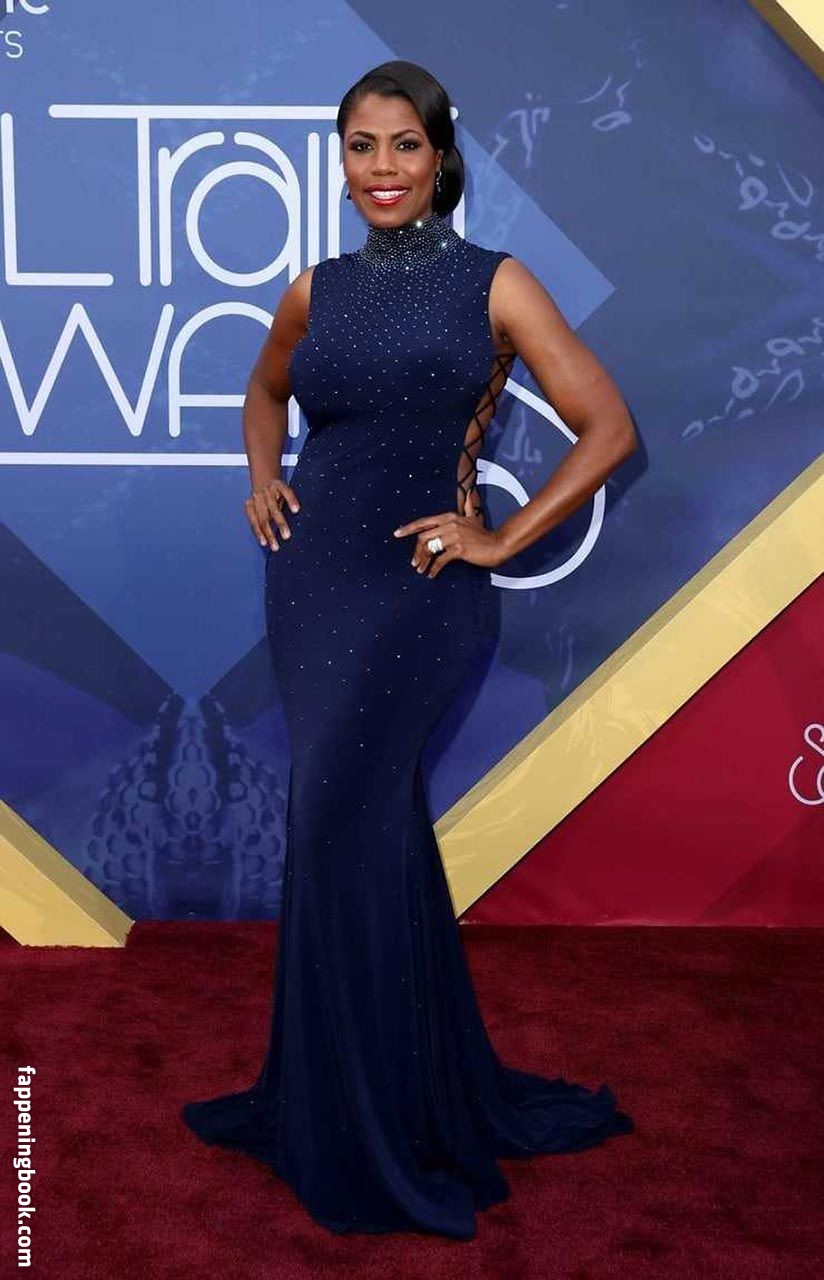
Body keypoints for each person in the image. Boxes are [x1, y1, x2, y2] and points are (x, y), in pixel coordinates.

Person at [181, 59, 637, 1240]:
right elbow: (262, 394)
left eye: (402, 145)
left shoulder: (495, 282)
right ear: (339, 162)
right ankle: (363, 1094)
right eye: (359, 146)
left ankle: (370, 1124)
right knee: (357, 828)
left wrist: (501, 536)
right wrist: (261, 478)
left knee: (340, 818)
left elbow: (606, 426)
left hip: (425, 591)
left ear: (440, 158)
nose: (380, 167)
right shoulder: (313, 289)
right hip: (313, 583)